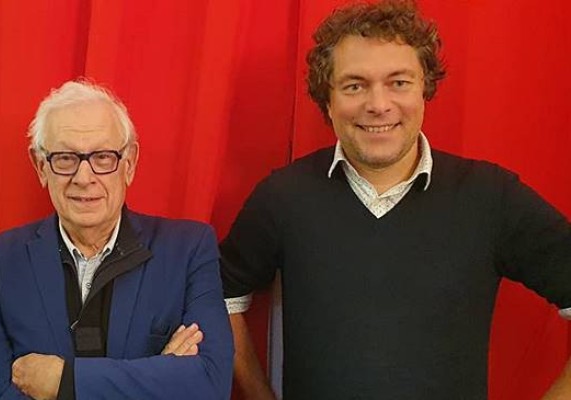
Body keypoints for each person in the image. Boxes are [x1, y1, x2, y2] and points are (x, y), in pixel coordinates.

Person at [220, 1, 571, 398]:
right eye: (354, 85)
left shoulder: (492, 196)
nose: (378, 104)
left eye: (399, 82)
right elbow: (220, 296)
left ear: (425, 89)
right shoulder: (283, 196)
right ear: (328, 100)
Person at [0, 80, 233, 399]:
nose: (83, 177)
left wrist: (64, 381)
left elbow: (210, 384)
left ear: (129, 164)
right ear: (41, 167)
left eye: (103, 157)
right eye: (65, 158)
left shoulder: (189, 249)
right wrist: (159, 374)